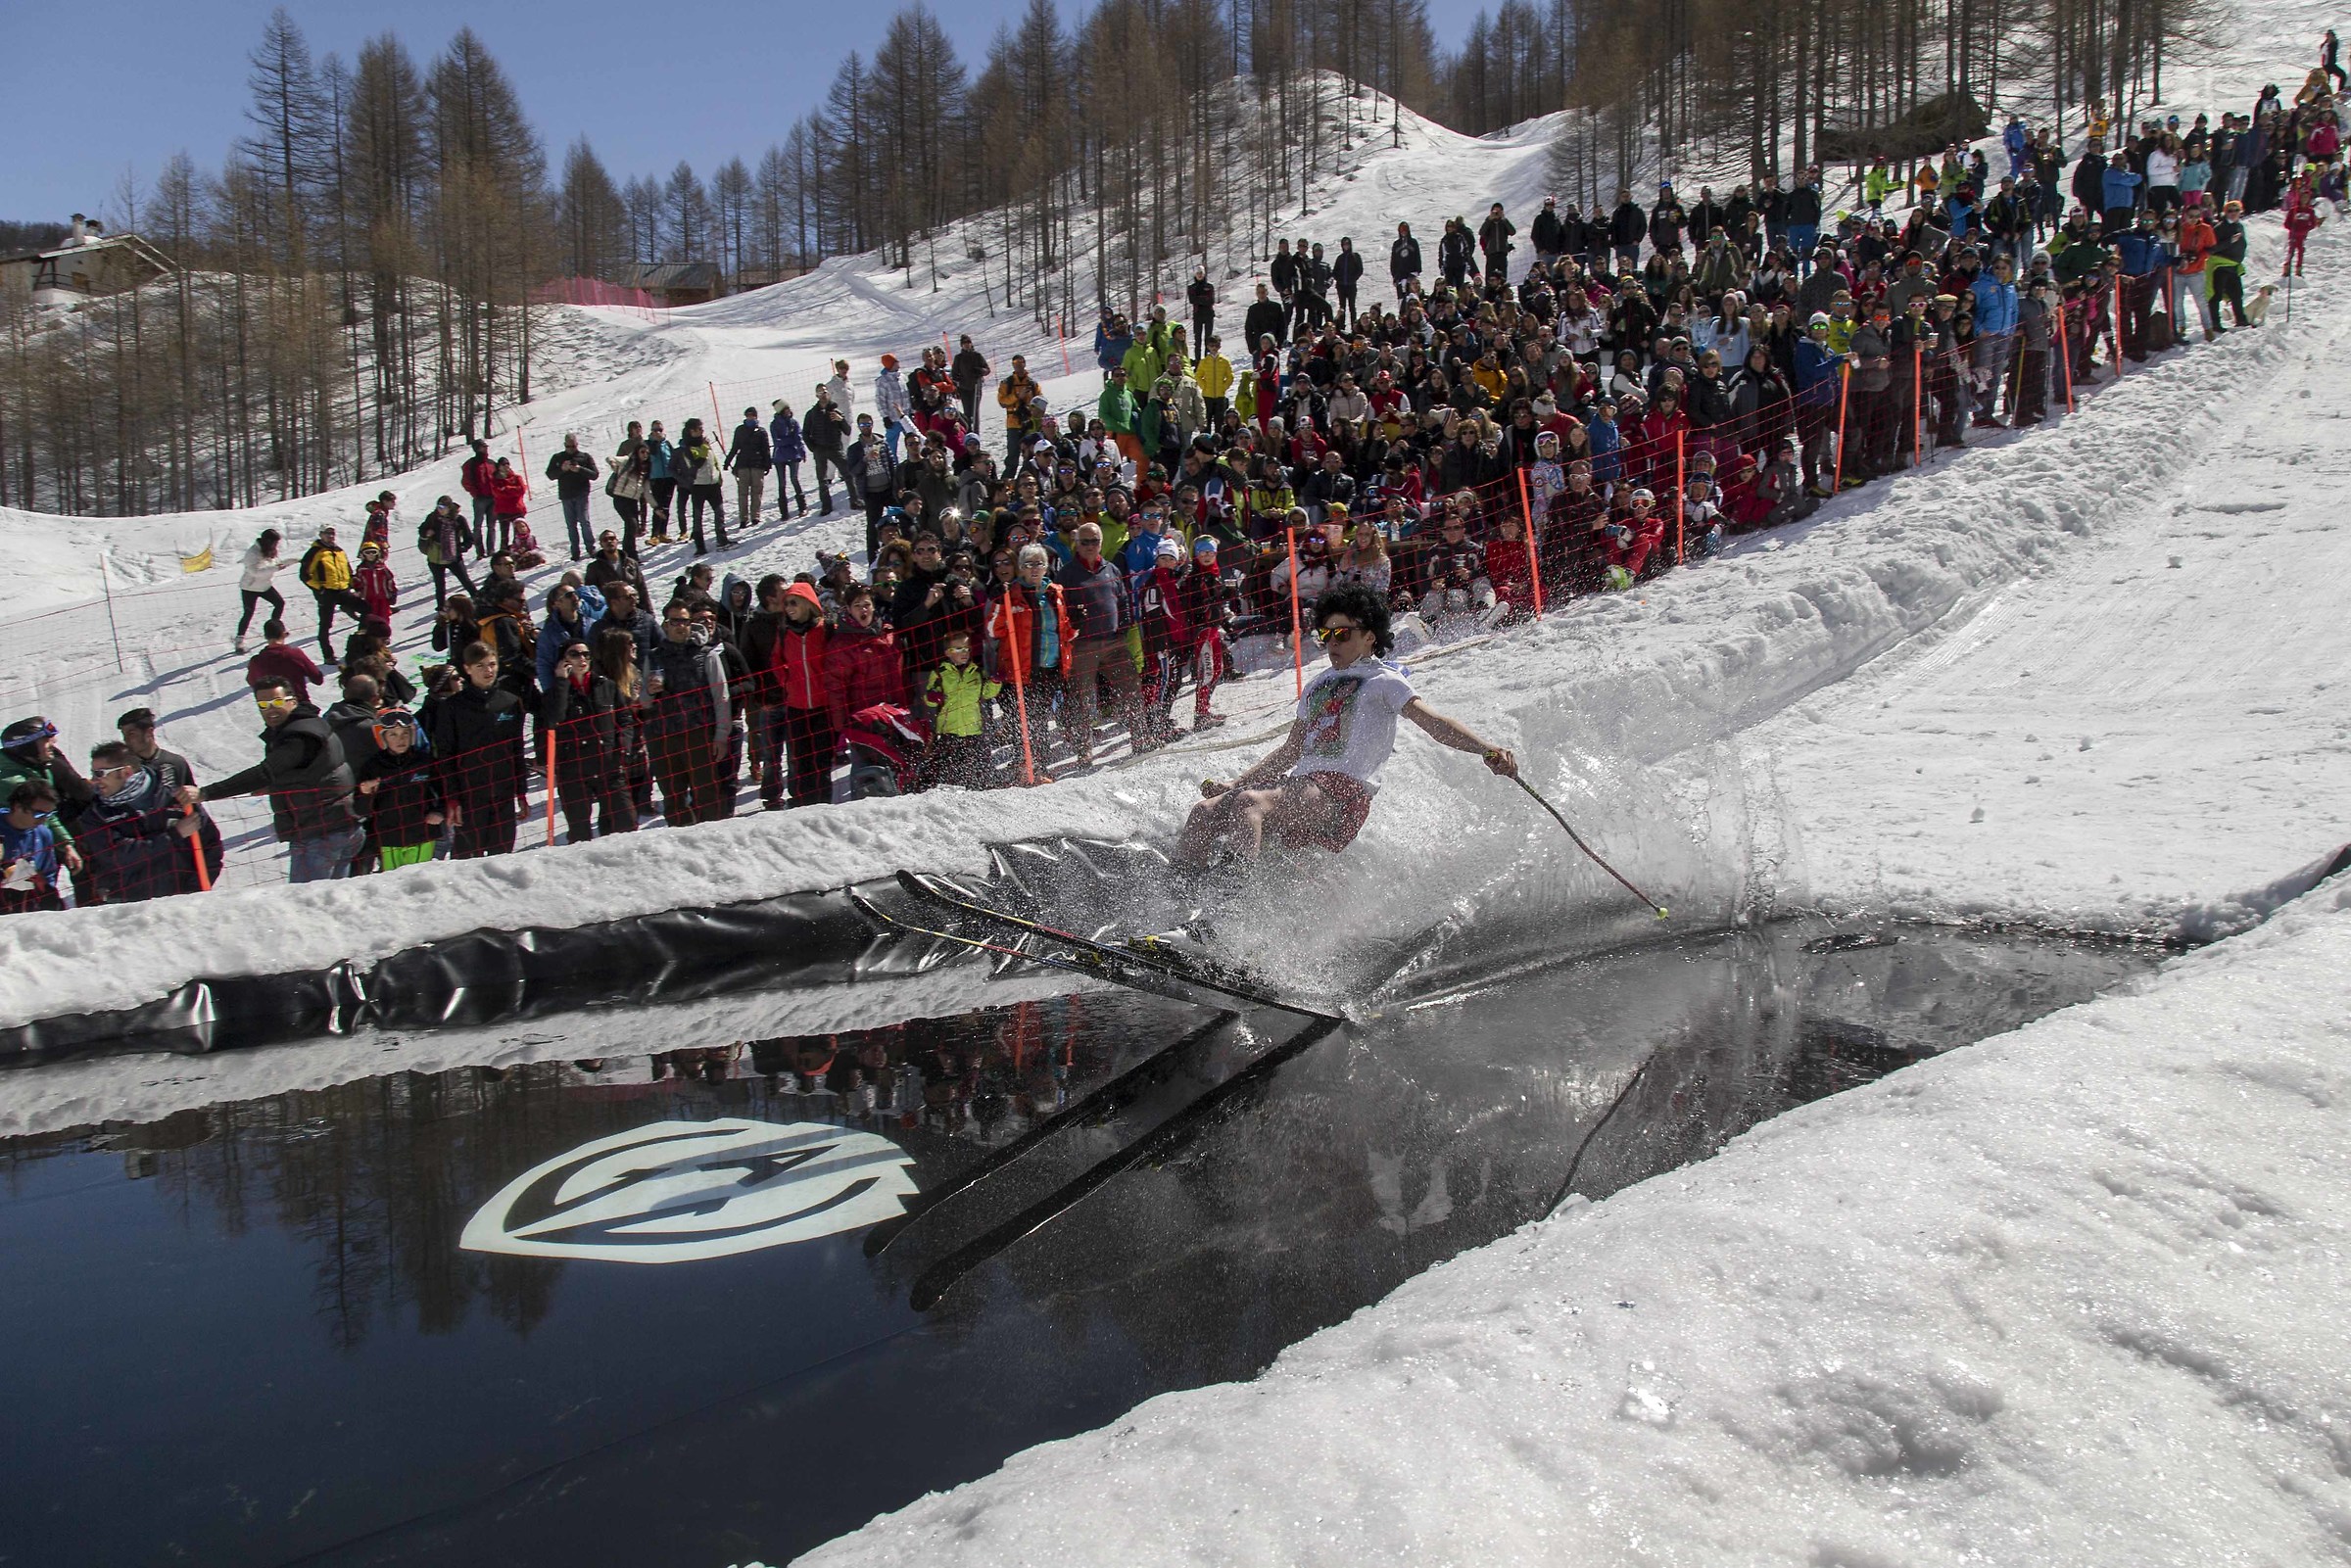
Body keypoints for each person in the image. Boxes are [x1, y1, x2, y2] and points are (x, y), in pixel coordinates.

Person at [1175, 586, 1515, 869]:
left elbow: (1436, 724)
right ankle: (1177, 907)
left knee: (1250, 803)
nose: (1332, 642)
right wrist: (1234, 782)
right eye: (1326, 634)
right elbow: (1291, 750)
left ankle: (1225, 912)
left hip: (1342, 796)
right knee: (1204, 811)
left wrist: (1486, 748)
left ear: (1369, 637)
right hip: (1301, 789)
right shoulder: (1318, 684)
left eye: (1342, 633)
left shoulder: (1385, 680)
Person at [201, 679, 362, 882]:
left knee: (306, 905)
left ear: (292, 701)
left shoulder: (299, 736)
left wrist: (205, 793)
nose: (270, 710)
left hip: (321, 834)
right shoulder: (306, 724)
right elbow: (310, 771)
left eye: (276, 702)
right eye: (263, 705)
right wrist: (275, 785)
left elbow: (264, 772)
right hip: (337, 827)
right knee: (331, 900)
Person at [426, 641, 528, 858]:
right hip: (469, 794)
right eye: (480, 666)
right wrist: (452, 798)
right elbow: (445, 755)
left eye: (492, 664)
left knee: (502, 856)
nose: (488, 670)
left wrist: (521, 791)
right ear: (467, 669)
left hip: (503, 791)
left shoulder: (510, 702)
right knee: (466, 858)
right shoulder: (452, 707)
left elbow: (517, 749)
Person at [76, 740, 205, 903]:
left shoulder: (174, 797)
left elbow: (210, 845)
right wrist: (174, 835)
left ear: (126, 772)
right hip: (129, 906)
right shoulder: (96, 815)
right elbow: (119, 856)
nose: (94, 780)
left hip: (185, 900)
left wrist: (195, 891)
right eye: (93, 773)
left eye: (100, 773)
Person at [538, 640, 636, 842]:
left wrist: (623, 745)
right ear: (563, 660)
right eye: (575, 654)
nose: (582, 659)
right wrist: (562, 683)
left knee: (626, 822)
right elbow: (554, 718)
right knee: (579, 832)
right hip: (573, 769)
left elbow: (624, 719)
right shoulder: (554, 693)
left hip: (609, 764)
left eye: (586, 654)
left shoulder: (606, 685)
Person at [354, 708, 443, 871]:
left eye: (405, 734)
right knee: (394, 882)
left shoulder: (425, 762)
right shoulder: (372, 766)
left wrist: (438, 811)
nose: (400, 739)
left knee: (419, 878)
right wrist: (365, 793)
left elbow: (443, 790)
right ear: (383, 738)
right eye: (393, 734)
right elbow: (360, 809)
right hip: (389, 837)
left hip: (422, 832)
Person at [920, 630, 1000, 789]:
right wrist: (932, 697)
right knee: (949, 767)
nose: (964, 652)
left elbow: (986, 693)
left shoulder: (976, 672)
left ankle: (981, 789)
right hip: (949, 730)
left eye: (967, 649)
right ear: (948, 653)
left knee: (978, 765)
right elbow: (929, 701)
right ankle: (946, 789)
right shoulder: (939, 674)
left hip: (973, 730)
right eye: (958, 649)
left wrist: (996, 682)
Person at [298, 526, 366, 666]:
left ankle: (362, 643)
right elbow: (304, 575)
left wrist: (353, 584)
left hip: (343, 590)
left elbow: (347, 569)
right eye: (327, 533)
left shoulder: (339, 550)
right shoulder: (315, 552)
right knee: (325, 624)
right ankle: (328, 655)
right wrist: (320, 589)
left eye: (332, 533)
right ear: (321, 535)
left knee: (367, 609)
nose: (330, 536)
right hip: (327, 592)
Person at [1, 782, 74, 913]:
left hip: (23, 911)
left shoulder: (43, 834)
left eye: (49, 815)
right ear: (18, 807)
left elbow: (48, 876)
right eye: (39, 814)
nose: (44, 820)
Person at [545, 432, 601, 560]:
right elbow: (550, 475)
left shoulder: (585, 457)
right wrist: (562, 470)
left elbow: (595, 474)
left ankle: (590, 547)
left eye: (574, 446)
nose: (572, 449)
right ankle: (575, 551)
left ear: (577, 444)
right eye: (569, 446)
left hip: (581, 493)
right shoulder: (557, 457)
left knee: (584, 521)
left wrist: (580, 469)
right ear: (565, 445)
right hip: (566, 495)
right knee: (571, 524)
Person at [416, 497, 478, 609]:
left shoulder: (459, 520)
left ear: (449, 507)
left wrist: (461, 548)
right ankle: (441, 608)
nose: (440, 510)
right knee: (439, 585)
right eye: (438, 507)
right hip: (435, 557)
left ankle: (478, 600)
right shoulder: (432, 518)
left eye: (443, 507)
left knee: (465, 580)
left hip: (453, 557)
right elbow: (422, 530)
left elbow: (469, 538)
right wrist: (426, 533)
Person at [245, 617, 324, 705]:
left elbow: (252, 682)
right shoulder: (294, 655)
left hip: (274, 708)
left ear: (266, 637)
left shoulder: (256, 662)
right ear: (284, 634)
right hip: (298, 704)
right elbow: (318, 678)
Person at [234, 529, 286, 654]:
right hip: (250, 587)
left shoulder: (271, 551)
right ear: (268, 541)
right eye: (274, 543)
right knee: (248, 612)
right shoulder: (252, 552)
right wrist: (275, 568)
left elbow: (275, 563)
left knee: (280, 603)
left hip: (265, 585)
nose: (276, 546)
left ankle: (274, 632)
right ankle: (239, 639)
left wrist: (283, 564)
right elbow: (255, 572)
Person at [725, 405, 772, 527]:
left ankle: (755, 516)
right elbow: (735, 447)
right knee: (743, 493)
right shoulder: (740, 430)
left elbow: (765, 449)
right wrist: (727, 461)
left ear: (756, 417)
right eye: (748, 416)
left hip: (757, 465)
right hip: (743, 464)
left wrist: (767, 464)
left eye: (752, 416)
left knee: (756, 492)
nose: (750, 418)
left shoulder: (761, 432)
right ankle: (743, 518)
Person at [769, 400, 809, 518]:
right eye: (785, 409)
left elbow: (798, 438)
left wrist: (802, 451)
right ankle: (784, 512)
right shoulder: (774, 424)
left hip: (793, 455)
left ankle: (802, 507)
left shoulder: (794, 423)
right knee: (782, 483)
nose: (788, 411)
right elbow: (777, 442)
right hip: (780, 456)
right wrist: (790, 440)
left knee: (794, 479)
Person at [459, 439, 498, 559]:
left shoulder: (492, 463)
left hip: (493, 498)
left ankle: (491, 550)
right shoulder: (470, 464)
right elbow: (466, 481)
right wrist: (475, 493)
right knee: (477, 526)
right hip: (480, 499)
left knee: (491, 525)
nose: (485, 448)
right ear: (477, 449)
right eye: (483, 447)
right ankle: (480, 551)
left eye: (485, 446)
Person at [488, 456, 529, 557]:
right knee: (504, 535)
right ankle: (504, 555)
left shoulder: (516, 477)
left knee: (519, 533)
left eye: (507, 464)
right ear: (499, 467)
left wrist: (506, 489)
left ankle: (520, 551)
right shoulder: (495, 480)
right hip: (503, 510)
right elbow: (497, 493)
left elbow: (522, 489)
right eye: (503, 465)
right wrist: (512, 491)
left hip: (516, 509)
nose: (506, 467)